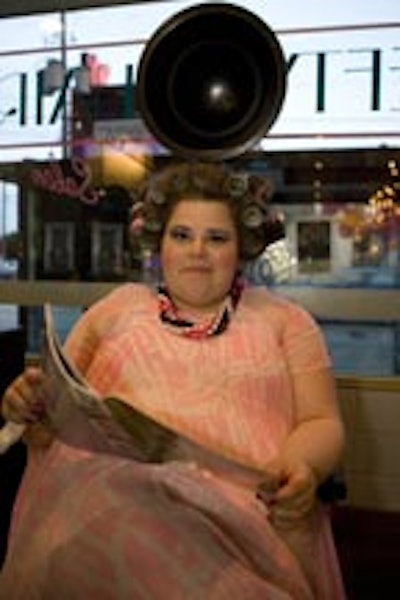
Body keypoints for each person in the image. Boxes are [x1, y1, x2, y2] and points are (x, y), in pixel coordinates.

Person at [0, 161, 346, 599]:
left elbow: (321, 420)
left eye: (216, 238)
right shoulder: (117, 308)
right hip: (110, 508)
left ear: (240, 248)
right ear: (159, 242)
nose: (197, 250)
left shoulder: (286, 322)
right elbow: (56, 397)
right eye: (181, 235)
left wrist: (303, 468)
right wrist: (26, 403)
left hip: (247, 513)